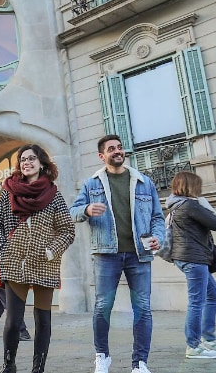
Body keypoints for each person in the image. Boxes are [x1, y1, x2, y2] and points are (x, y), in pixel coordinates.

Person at [69, 134, 165, 373]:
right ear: (102, 156)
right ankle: (102, 356)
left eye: (120, 148)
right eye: (111, 149)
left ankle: (140, 363)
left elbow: (157, 218)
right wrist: (88, 210)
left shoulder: (144, 182)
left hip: (139, 253)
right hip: (106, 254)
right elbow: (72, 212)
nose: (117, 151)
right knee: (102, 306)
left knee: (142, 307)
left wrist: (158, 238)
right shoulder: (92, 184)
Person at [0, 144, 76, 373]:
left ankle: (38, 369)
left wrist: (50, 251)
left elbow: (67, 230)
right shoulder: (9, 193)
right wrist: (4, 248)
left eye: (32, 158)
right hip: (14, 263)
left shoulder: (53, 195)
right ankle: (9, 365)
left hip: (45, 265)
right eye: (23, 159)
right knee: (13, 321)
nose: (27, 162)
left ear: (42, 163)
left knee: (43, 320)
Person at [166, 171, 216, 359]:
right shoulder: (190, 205)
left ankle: (208, 339)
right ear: (190, 186)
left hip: (187, 258)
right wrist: (210, 207)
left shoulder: (177, 205)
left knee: (213, 295)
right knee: (197, 301)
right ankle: (193, 346)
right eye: (198, 185)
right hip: (193, 259)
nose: (200, 189)